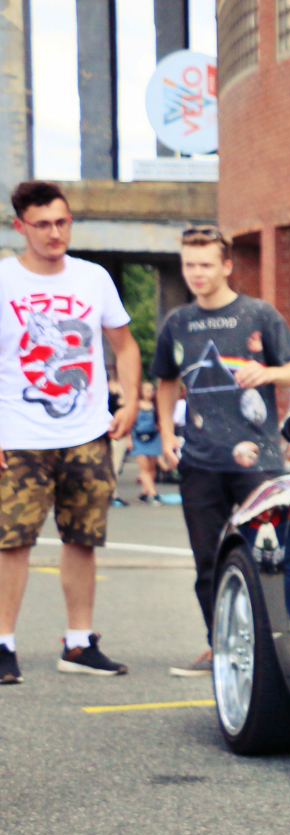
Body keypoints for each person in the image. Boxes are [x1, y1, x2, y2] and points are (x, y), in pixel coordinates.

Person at [152, 225, 290, 677]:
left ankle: (277, 652)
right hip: (200, 461)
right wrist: (166, 433)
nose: (196, 273)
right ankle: (218, 646)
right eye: (189, 265)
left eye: (205, 264)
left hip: (257, 463)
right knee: (208, 563)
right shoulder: (177, 323)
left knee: (267, 560)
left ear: (226, 266)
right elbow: (165, 380)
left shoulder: (258, 314)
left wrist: (269, 373)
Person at [0, 180, 140, 681]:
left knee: (83, 538)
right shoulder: (4, 280)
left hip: (86, 432)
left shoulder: (92, 278)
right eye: (42, 224)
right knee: (11, 541)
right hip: (18, 436)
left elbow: (125, 345)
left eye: (61, 222)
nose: (54, 233)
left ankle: (79, 643)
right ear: (20, 227)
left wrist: (129, 402)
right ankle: (3, 643)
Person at [129, 380, 162, 504]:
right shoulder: (135, 405)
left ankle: (144, 493)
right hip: (138, 438)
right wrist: (129, 439)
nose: (150, 392)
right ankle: (154, 494)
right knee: (145, 468)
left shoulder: (156, 406)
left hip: (153, 437)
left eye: (152, 390)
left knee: (152, 468)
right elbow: (130, 424)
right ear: (141, 391)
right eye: (147, 389)